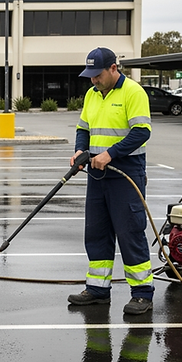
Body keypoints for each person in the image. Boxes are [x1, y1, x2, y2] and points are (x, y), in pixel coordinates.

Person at [68, 47, 154, 314]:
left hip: (125, 172)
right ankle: (97, 290)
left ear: (114, 68)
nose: (93, 80)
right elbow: (83, 128)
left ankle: (142, 293)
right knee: (96, 231)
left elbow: (142, 131)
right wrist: (80, 150)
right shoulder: (92, 95)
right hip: (96, 172)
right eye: (90, 75)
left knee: (129, 231)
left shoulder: (133, 92)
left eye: (98, 75)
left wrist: (111, 154)